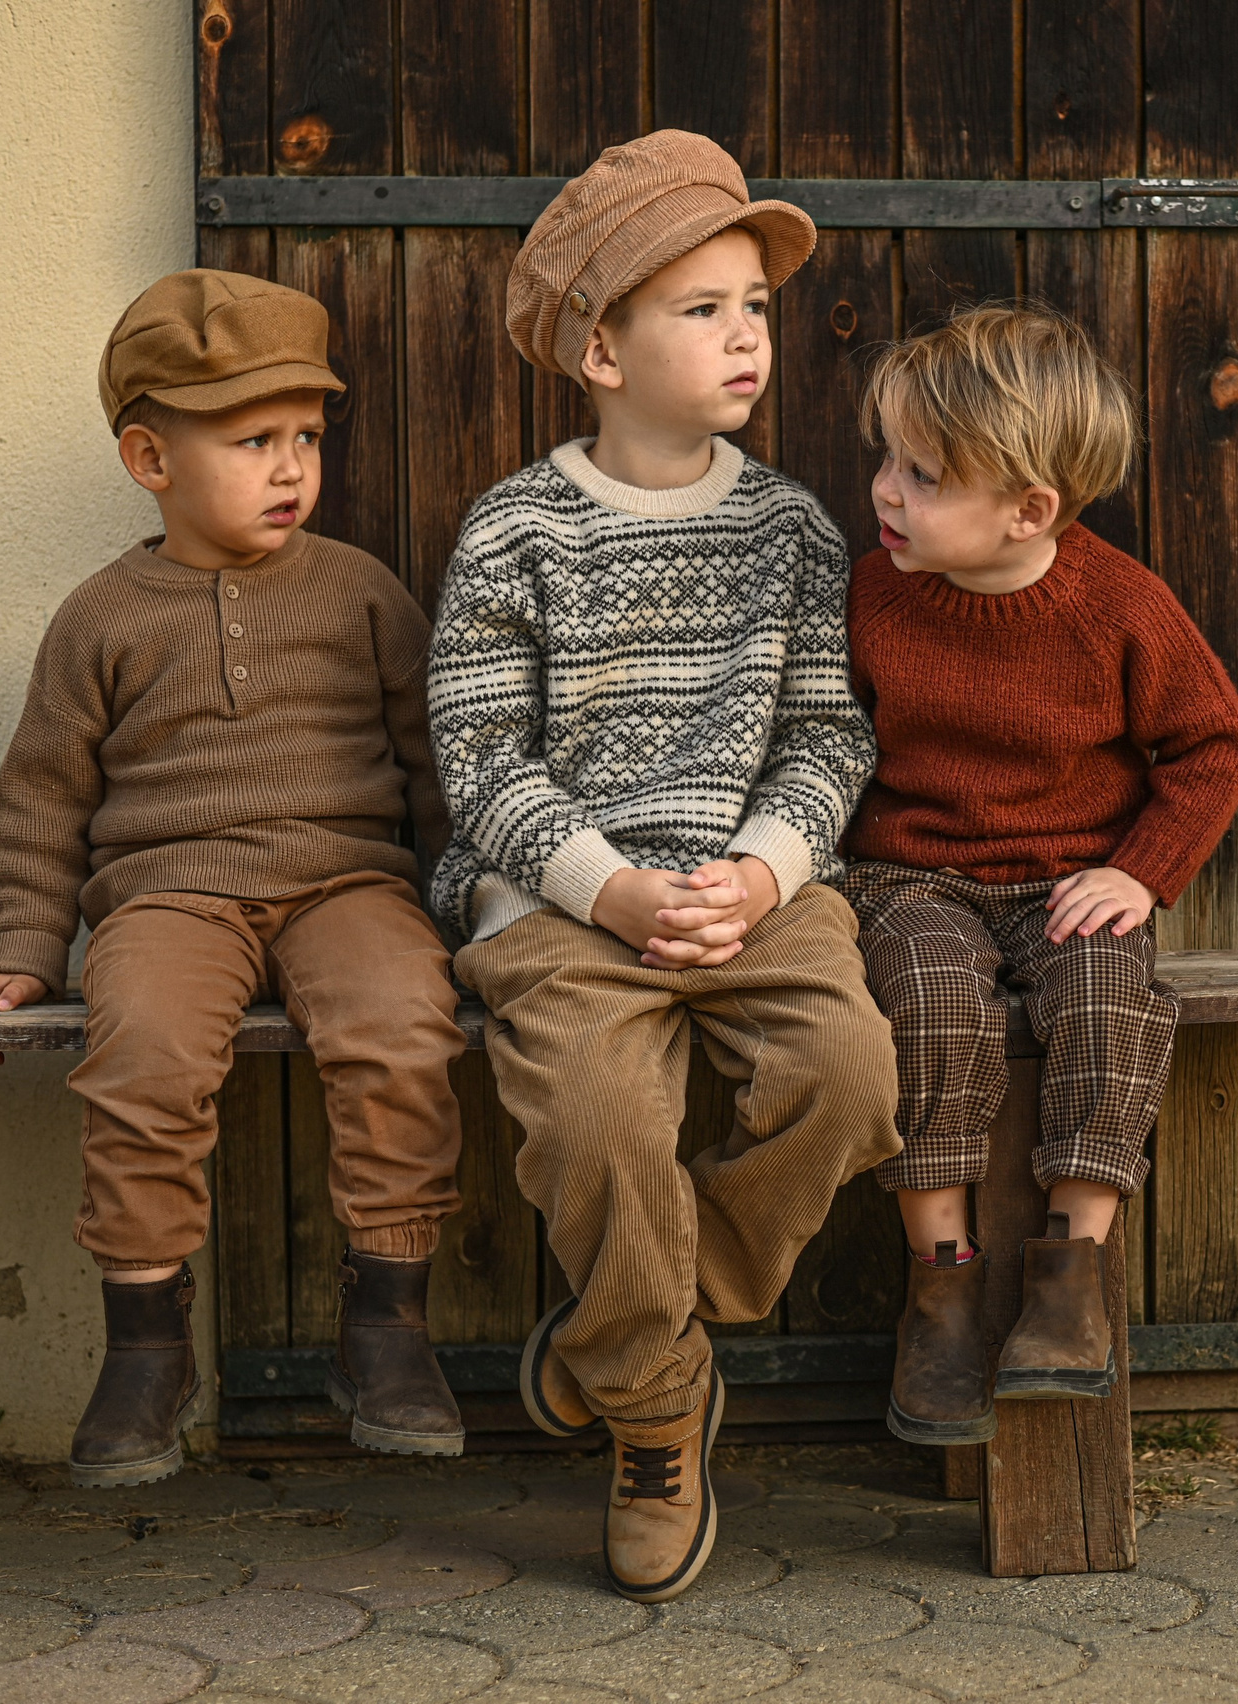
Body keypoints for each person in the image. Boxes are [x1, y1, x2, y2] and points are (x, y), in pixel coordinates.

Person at [431, 131, 899, 1604]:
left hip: (755, 891)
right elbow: (479, 755)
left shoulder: (792, 530)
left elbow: (829, 738)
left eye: (755, 302)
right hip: (563, 903)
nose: (747, 331)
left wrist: (760, 878)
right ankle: (653, 1421)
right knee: (597, 1118)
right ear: (599, 347)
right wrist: (611, 892)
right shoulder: (518, 531)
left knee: (852, 1079)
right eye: (702, 306)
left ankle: (625, 1332)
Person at [0, 271, 468, 1485]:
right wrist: (21, 951)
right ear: (149, 458)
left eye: (307, 439)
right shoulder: (102, 616)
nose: (290, 469)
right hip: (170, 897)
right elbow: (45, 793)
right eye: (253, 441)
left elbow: (435, 765)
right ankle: (147, 1347)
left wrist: (462, 910)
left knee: (402, 1027)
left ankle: (386, 1330)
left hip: (348, 886)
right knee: (145, 1054)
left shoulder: (362, 590)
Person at [841, 303, 1238, 1448]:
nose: (885, 489)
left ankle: (1071, 1275)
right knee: (924, 999)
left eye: (922, 475)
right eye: (887, 457)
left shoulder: (1119, 607)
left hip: (1072, 879)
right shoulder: (872, 597)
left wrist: (1141, 872)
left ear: (1028, 510)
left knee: (1107, 995)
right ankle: (943, 1281)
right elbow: (827, 742)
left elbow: (1212, 746)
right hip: (909, 877)